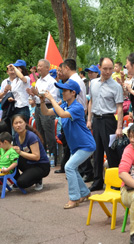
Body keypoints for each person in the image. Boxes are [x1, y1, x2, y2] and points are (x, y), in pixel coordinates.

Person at [42, 79, 95, 208]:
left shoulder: (77, 107)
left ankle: (74, 198)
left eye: (65, 90)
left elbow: (61, 114)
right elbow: (46, 112)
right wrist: (42, 101)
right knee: (73, 168)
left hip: (86, 145)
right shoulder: (65, 105)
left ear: (73, 93)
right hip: (76, 146)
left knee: (69, 167)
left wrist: (51, 99)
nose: (62, 92)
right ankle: (84, 192)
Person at [87, 57, 124, 191]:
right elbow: (91, 101)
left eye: (110, 68)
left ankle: (115, 182)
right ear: (100, 68)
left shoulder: (116, 86)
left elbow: (119, 107)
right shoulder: (93, 83)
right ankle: (97, 181)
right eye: (105, 69)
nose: (108, 72)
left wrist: (119, 127)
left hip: (109, 121)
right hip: (96, 120)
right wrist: (89, 119)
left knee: (111, 152)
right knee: (96, 152)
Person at [54, 59, 88, 174]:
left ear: (67, 68)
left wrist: (50, 99)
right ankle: (76, 170)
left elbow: (67, 110)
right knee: (72, 146)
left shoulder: (74, 81)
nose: (63, 92)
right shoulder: (74, 80)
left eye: (62, 69)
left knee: (79, 145)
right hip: (73, 114)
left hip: (74, 115)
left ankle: (85, 171)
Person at [29, 59, 59, 167]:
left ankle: (52, 158)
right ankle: (42, 157)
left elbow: (52, 98)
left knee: (49, 133)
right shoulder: (39, 81)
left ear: (47, 67)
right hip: (37, 107)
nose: (38, 68)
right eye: (38, 66)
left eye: (40, 66)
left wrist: (38, 94)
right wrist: (32, 94)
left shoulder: (52, 81)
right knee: (39, 133)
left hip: (47, 107)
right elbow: (35, 98)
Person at [11, 114, 50, 191]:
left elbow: (36, 157)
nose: (18, 125)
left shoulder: (31, 136)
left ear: (25, 123)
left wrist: (20, 152)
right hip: (29, 163)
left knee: (22, 183)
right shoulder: (16, 136)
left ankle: (38, 179)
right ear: (13, 126)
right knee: (11, 159)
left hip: (41, 165)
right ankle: (19, 180)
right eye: (16, 123)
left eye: (20, 122)